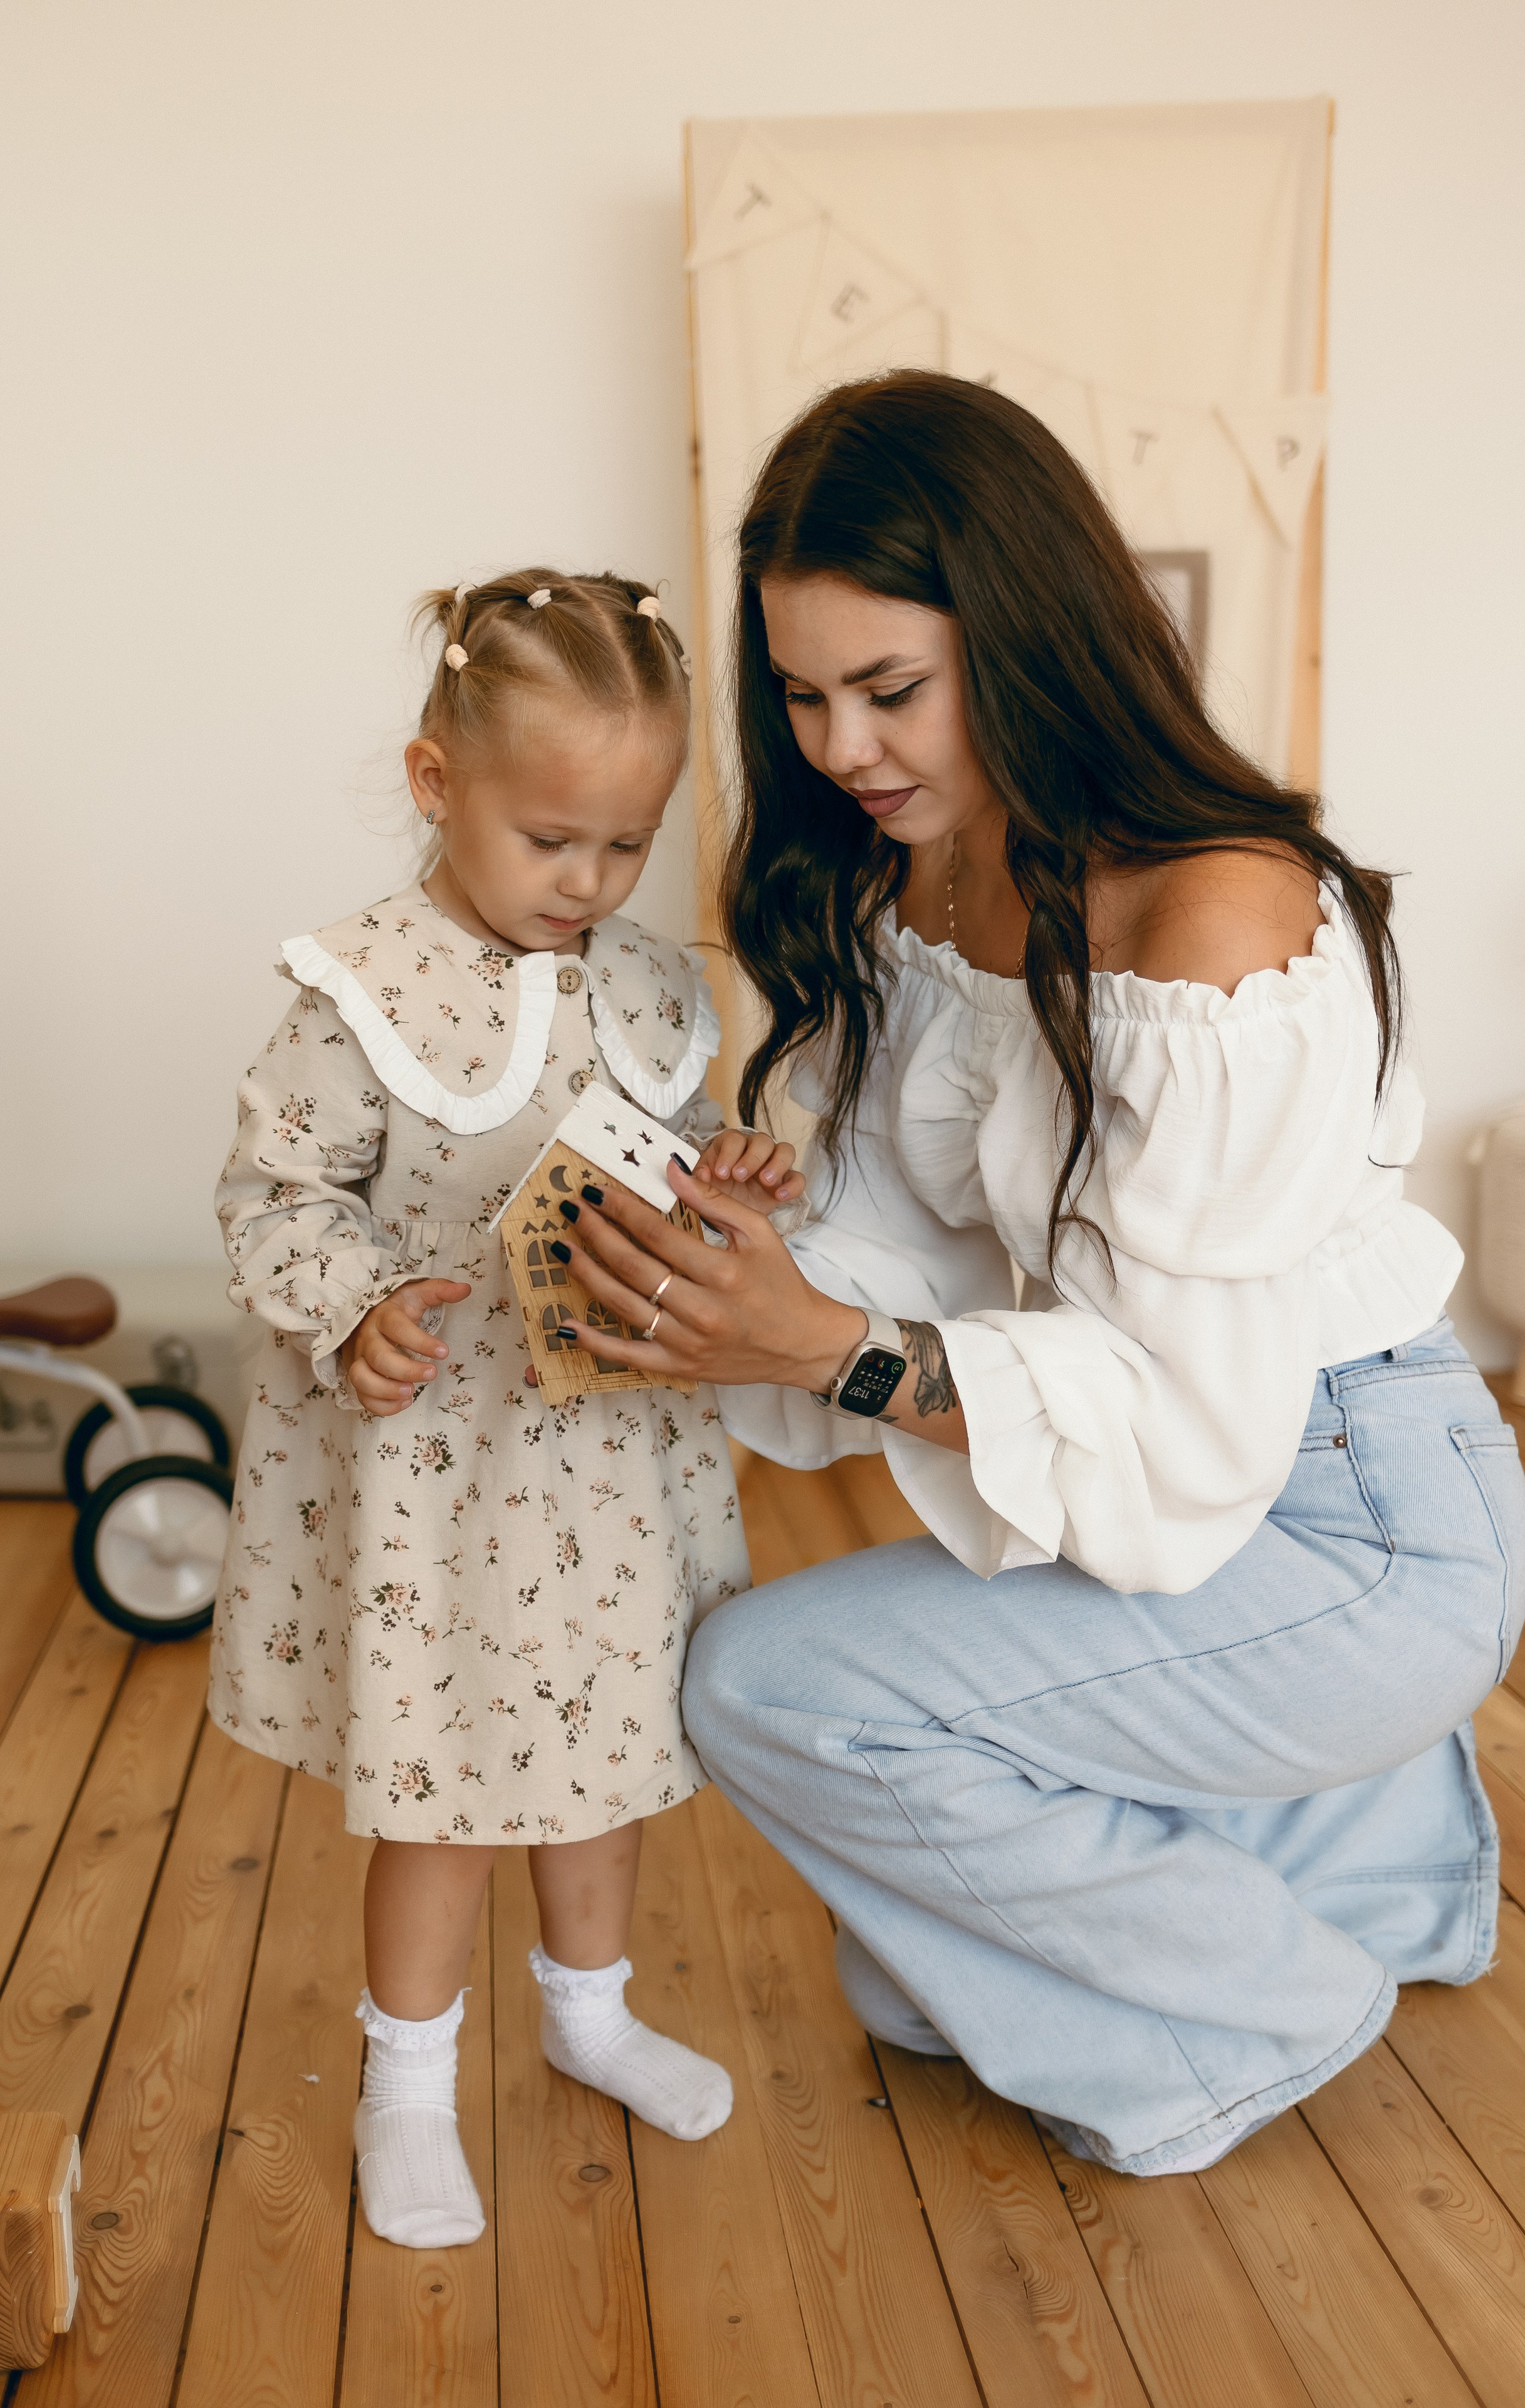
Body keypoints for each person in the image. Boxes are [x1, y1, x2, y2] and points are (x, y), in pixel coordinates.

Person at [543, 371, 1525, 2177]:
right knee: (921, 1988)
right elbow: (904, 1245)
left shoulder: (1211, 918)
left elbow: (1182, 1431)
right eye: (804, 692)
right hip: (1186, 1496)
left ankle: (1266, 2007)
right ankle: (1361, 1849)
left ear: (1029, 634)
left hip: (1341, 1515)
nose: (842, 745)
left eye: (891, 688)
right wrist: (746, 1253)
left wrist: (835, 1346)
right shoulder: (904, 879)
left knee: (775, 1688)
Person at [209, 568, 802, 2246]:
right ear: (434, 782)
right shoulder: (360, 996)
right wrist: (356, 1308)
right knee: (449, 1782)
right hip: (438, 1478)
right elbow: (274, 1195)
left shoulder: (637, 981)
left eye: (626, 843)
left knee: (600, 1748)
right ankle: (407, 2082)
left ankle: (590, 2007)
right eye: (555, 839)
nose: (591, 882)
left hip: (604, 1463)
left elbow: (651, 1150)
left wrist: (720, 1161)